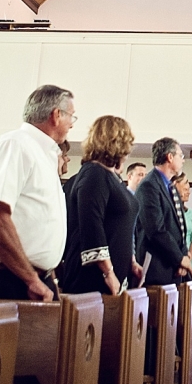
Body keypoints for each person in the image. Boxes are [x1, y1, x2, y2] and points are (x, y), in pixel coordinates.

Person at [0, 84, 74, 301]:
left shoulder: (44, 154)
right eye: (71, 117)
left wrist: (47, 276)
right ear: (56, 115)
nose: (72, 124)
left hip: (33, 278)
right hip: (8, 278)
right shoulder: (15, 145)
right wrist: (31, 279)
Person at [62, 116, 139, 295]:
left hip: (114, 275)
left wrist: (132, 261)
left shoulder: (112, 177)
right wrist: (108, 273)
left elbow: (120, 227)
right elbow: (92, 227)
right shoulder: (94, 174)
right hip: (94, 277)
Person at [135, 138, 192, 285]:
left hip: (173, 267)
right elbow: (156, 230)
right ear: (170, 157)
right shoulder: (149, 185)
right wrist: (179, 259)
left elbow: (180, 228)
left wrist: (182, 258)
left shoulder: (170, 186)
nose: (183, 160)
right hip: (156, 267)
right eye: (180, 156)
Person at [173, 172, 192, 269]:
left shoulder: (191, 213)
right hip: (174, 258)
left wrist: (188, 258)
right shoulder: (170, 212)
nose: (189, 192)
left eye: (189, 190)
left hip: (189, 258)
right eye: (185, 189)